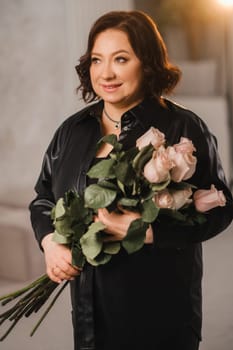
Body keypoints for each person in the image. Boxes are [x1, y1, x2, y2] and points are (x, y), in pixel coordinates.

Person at [29, 10, 233, 350]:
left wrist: (149, 230)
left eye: (120, 59)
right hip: (89, 313)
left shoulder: (183, 127)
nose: (105, 73)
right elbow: (43, 197)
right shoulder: (71, 130)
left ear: (148, 63)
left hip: (160, 311)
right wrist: (50, 242)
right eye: (97, 60)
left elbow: (222, 207)